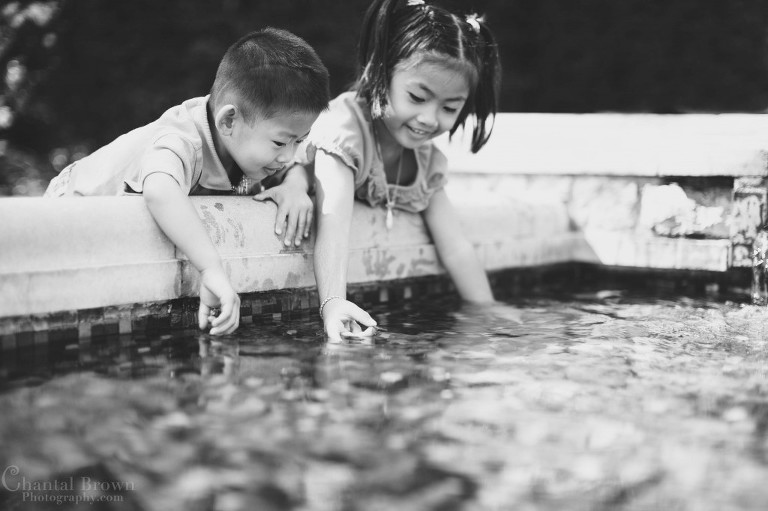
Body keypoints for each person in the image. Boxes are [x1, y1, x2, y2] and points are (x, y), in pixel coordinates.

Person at [44, 28, 330, 335]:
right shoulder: (183, 138)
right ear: (228, 121)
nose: (289, 155)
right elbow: (160, 190)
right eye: (280, 143)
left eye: (299, 140)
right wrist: (210, 268)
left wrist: (295, 186)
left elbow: (301, 163)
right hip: (73, 203)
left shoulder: (251, 148)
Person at [296, 0, 515, 342]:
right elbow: (333, 224)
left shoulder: (426, 161)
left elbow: (456, 246)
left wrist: (485, 309)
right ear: (382, 71)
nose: (429, 118)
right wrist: (333, 303)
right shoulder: (346, 130)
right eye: (417, 97)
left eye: (449, 107)